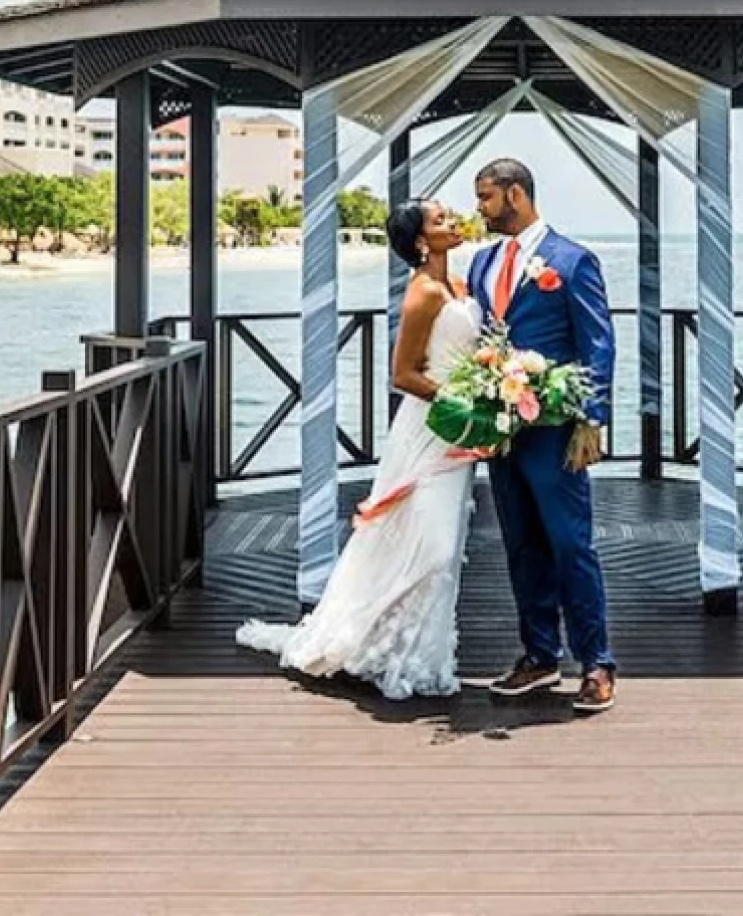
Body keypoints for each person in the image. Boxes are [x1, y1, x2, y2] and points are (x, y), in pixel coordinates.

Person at [235, 200, 482, 699]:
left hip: (460, 429)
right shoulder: (424, 293)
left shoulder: (461, 286)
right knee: (427, 542)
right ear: (418, 242)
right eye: (440, 222)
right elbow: (403, 374)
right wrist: (460, 398)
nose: (453, 223)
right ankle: (367, 641)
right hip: (429, 428)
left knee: (448, 540)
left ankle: (424, 656)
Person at [470, 157, 617, 714]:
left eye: (484, 197)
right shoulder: (483, 261)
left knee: (570, 544)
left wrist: (592, 417)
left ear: (513, 194)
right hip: (503, 430)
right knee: (521, 545)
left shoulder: (572, 260)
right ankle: (539, 655)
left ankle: (597, 661)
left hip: (557, 429)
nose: (478, 208)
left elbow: (598, 345)